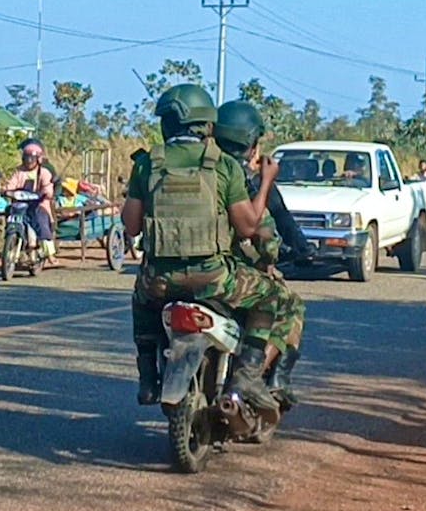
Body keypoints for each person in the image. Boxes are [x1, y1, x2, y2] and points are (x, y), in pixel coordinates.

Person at [122, 84, 284, 413]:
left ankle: (147, 376)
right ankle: (248, 376)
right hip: (213, 278)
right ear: (207, 125)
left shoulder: (147, 164)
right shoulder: (222, 165)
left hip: (160, 280)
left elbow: (131, 226)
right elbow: (248, 226)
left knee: (141, 299)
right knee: (272, 297)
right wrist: (266, 181)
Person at [215, 100, 309, 407]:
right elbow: (265, 233)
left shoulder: (197, 172)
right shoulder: (247, 183)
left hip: (174, 275)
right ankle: (266, 378)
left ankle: (149, 371)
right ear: (252, 145)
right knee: (288, 304)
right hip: (229, 275)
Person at [4, 139, 56, 259]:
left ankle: (49, 253)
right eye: (26, 158)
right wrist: (6, 190)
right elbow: (11, 184)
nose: (29, 161)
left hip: (39, 204)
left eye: (31, 159)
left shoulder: (44, 172)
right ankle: (11, 237)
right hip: (21, 203)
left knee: (40, 220)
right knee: (9, 211)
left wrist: (45, 193)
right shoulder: (19, 171)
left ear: (38, 159)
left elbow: (48, 187)